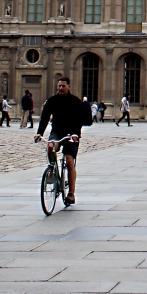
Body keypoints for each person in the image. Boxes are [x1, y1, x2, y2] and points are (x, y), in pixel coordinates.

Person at [35, 77, 92, 206]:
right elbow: (45, 117)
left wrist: (76, 134)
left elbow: (79, 119)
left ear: (68, 87)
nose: (60, 88)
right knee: (50, 146)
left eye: (63, 86)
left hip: (71, 133)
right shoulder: (52, 101)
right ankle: (52, 170)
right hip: (57, 131)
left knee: (69, 161)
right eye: (59, 86)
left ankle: (71, 193)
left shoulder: (75, 101)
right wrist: (39, 133)